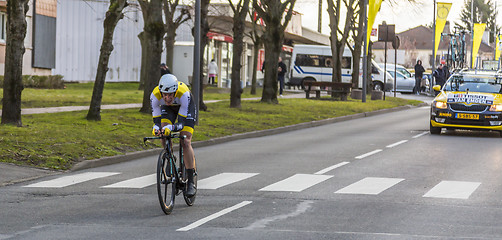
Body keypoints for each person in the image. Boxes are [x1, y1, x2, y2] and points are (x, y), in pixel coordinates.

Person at [150, 74, 197, 197]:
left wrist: (171, 128)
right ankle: (169, 157)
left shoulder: (184, 94)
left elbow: (181, 124)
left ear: (175, 91)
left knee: (185, 141)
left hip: (185, 108)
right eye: (164, 95)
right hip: (168, 110)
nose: (167, 98)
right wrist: (157, 128)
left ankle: (191, 182)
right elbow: (156, 120)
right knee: (163, 132)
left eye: (170, 94)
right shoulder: (155, 96)